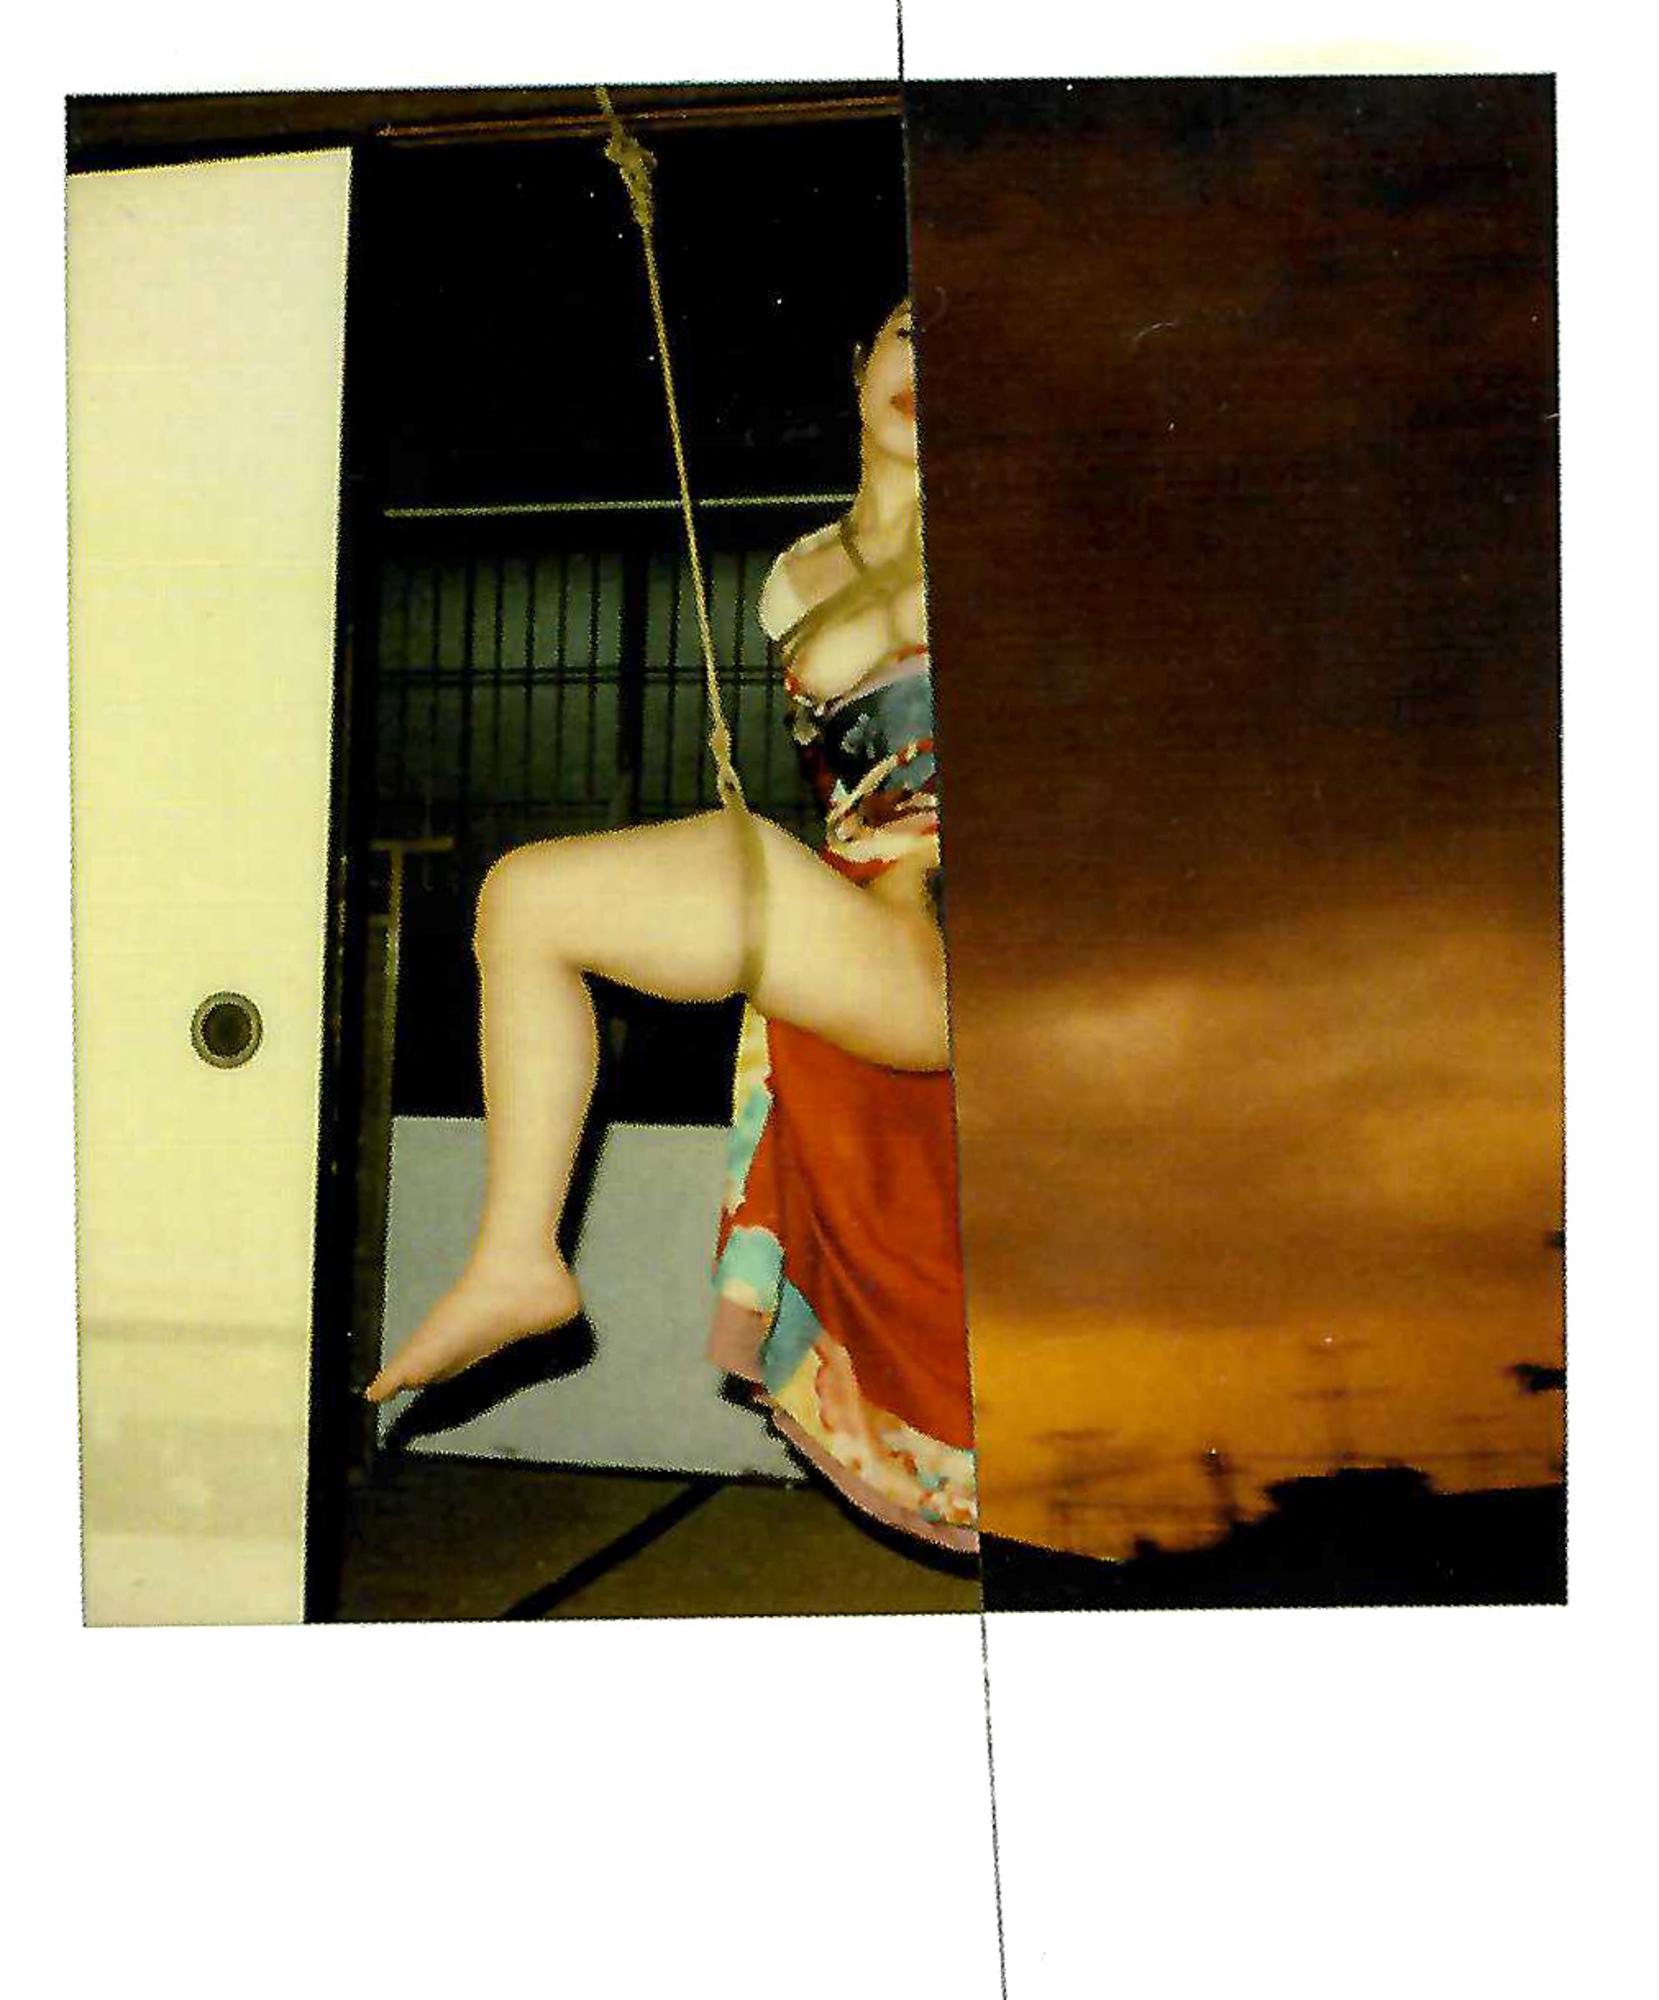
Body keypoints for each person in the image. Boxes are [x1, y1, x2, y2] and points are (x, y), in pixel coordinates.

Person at [365, 300, 978, 1549]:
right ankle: (517, 1263)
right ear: (859, 366)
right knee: (525, 896)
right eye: (910, 332)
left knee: (730, 855)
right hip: (868, 928)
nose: (931, 361)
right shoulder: (792, 578)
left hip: (985, 930)